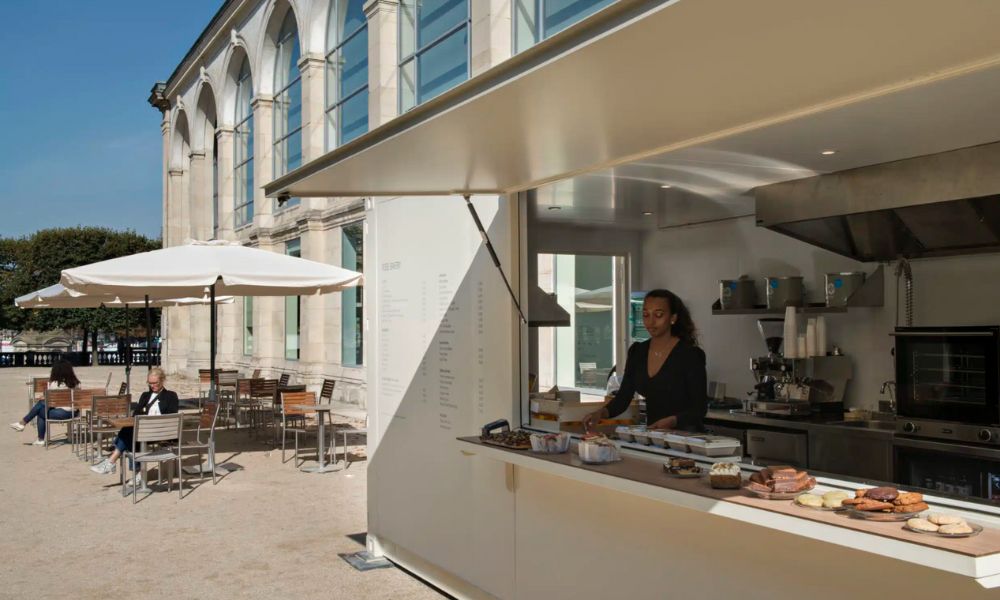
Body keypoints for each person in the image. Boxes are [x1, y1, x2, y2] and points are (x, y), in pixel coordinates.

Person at [583, 289, 708, 432]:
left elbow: (699, 409)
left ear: (673, 318)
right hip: (655, 436)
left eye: (659, 315)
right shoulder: (637, 352)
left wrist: (673, 421)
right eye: (646, 315)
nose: (651, 321)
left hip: (687, 439)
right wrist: (600, 413)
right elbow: (623, 398)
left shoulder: (690, 355)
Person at [90, 367, 178, 476]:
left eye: (155, 383)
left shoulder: (171, 396)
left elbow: (171, 417)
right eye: (150, 383)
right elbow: (136, 414)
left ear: (162, 380)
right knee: (130, 432)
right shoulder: (145, 396)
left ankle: (114, 462)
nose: (152, 385)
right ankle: (129, 470)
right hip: (144, 432)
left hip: (160, 433)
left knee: (128, 433)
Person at [10, 361, 81, 445]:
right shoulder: (76, 384)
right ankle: (23, 424)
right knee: (41, 407)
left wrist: (43, 398)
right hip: (74, 412)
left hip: (62, 413)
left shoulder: (55, 384)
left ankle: (27, 427)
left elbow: (50, 401)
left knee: (40, 410)